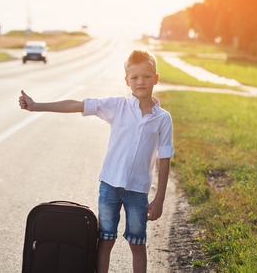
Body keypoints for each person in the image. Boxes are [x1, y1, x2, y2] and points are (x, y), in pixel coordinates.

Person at [18, 49, 174, 273]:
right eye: (135, 77)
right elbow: (78, 105)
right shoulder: (117, 106)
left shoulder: (163, 119)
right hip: (110, 185)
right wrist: (37, 106)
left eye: (147, 76)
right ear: (127, 80)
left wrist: (159, 198)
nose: (141, 82)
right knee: (106, 240)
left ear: (155, 78)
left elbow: (164, 159)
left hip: (138, 191)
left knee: (137, 243)